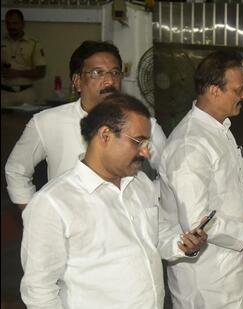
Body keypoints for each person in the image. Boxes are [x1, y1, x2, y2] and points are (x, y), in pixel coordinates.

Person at [20, 93, 207, 309]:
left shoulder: (140, 184)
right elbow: (39, 291)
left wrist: (181, 244)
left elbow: (152, 238)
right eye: (139, 142)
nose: (145, 152)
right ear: (105, 135)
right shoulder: (53, 203)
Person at [158, 50, 243, 309]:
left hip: (236, 271)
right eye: (239, 90)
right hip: (208, 283)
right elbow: (198, 222)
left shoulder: (219, 129)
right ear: (213, 90)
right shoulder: (189, 145)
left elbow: (219, 190)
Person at [5, 40, 166, 210]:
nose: (109, 81)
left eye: (115, 72)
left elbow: (170, 173)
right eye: (98, 73)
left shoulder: (144, 125)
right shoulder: (47, 122)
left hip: (125, 228)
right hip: (70, 228)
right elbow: (16, 170)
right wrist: (35, 215)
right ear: (77, 81)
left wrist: (147, 201)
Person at [1, 9, 46, 107]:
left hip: (26, 94)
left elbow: (41, 72)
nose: (11, 26)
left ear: (23, 24)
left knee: (25, 122)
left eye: (15, 23)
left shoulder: (33, 43)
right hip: (4, 93)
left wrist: (17, 73)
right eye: (8, 23)